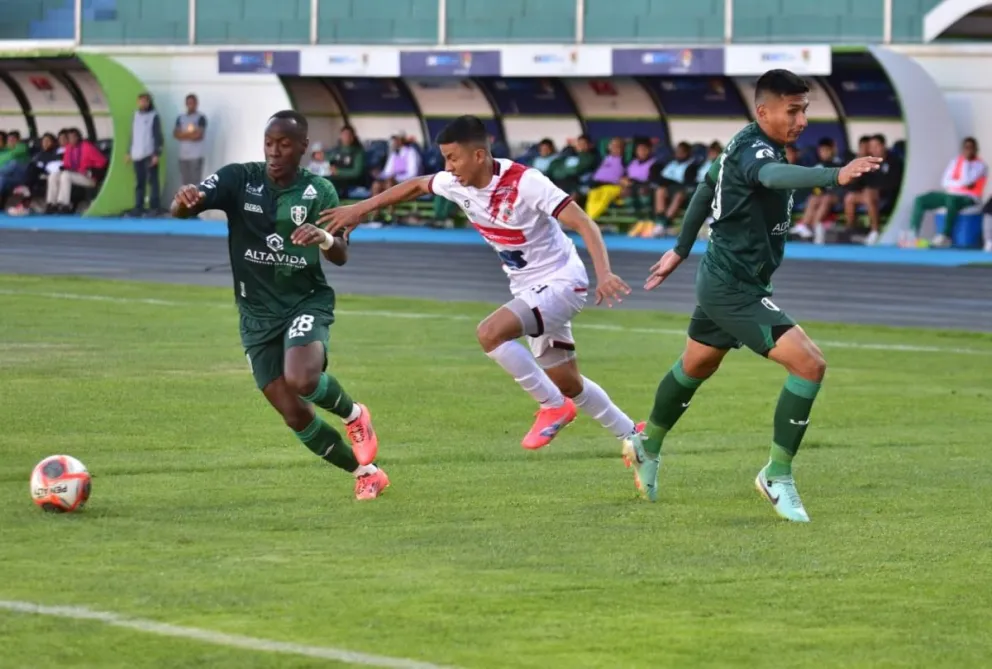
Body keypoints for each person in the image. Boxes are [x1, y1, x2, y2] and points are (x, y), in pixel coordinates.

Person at [622, 70, 881, 522]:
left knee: (696, 365)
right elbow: (771, 175)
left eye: (804, 110)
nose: (801, 120)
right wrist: (834, 176)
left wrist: (680, 249)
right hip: (732, 287)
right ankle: (776, 475)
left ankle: (646, 444)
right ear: (764, 112)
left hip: (733, 278)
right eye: (792, 110)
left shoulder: (741, 141)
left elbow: (706, 188)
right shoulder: (756, 153)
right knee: (810, 363)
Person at [320, 115, 640, 452]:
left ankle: (552, 406)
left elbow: (585, 223)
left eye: (453, 157)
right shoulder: (455, 182)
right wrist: (361, 209)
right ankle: (633, 434)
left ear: (478, 156)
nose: (448, 166)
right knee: (568, 381)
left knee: (490, 333)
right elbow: (415, 185)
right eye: (445, 158)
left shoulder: (526, 182)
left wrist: (604, 273)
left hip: (563, 281)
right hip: (528, 289)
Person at [169, 110, 389, 501]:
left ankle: (355, 414)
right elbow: (185, 207)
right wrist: (186, 199)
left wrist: (322, 236)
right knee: (294, 413)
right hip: (255, 315)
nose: (274, 151)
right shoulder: (240, 178)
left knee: (302, 379)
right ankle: (366, 473)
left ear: (303, 147)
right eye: (269, 143)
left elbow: (340, 254)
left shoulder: (318, 190)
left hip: (305, 301)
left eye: (284, 144)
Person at [906, 137, 987, 248]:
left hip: (970, 198)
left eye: (971, 148)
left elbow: (968, 178)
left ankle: (945, 236)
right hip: (950, 194)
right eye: (966, 148)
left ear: (976, 149)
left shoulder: (980, 165)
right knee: (921, 200)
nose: (968, 150)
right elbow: (945, 182)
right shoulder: (955, 161)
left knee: (951, 201)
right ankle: (913, 233)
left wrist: (966, 163)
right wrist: (961, 183)